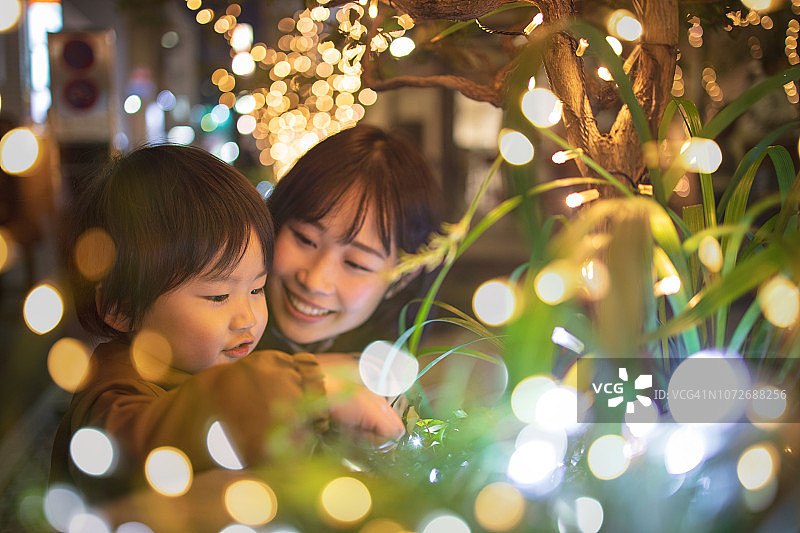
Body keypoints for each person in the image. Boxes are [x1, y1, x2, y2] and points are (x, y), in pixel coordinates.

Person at [50, 144, 404, 504]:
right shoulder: (110, 398)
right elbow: (141, 450)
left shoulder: (200, 365)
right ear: (119, 308)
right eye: (218, 296)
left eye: (256, 288)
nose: (248, 318)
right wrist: (307, 385)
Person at [259, 123, 443, 356]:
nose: (314, 281)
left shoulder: (389, 385)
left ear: (402, 279)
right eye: (305, 239)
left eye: (355, 263)